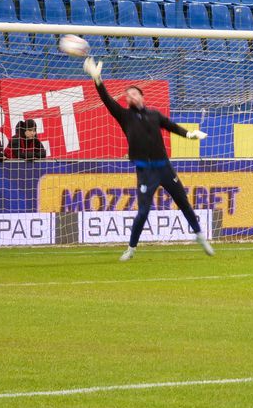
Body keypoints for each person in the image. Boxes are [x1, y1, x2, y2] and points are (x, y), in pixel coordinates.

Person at [83, 56, 214, 261]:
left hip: (164, 168)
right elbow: (107, 100)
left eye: (134, 93)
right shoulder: (124, 116)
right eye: (128, 95)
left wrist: (190, 134)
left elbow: (172, 127)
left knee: (184, 202)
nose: (130, 96)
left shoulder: (154, 115)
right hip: (145, 172)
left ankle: (200, 236)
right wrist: (97, 80)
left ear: (142, 96)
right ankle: (131, 249)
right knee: (143, 212)